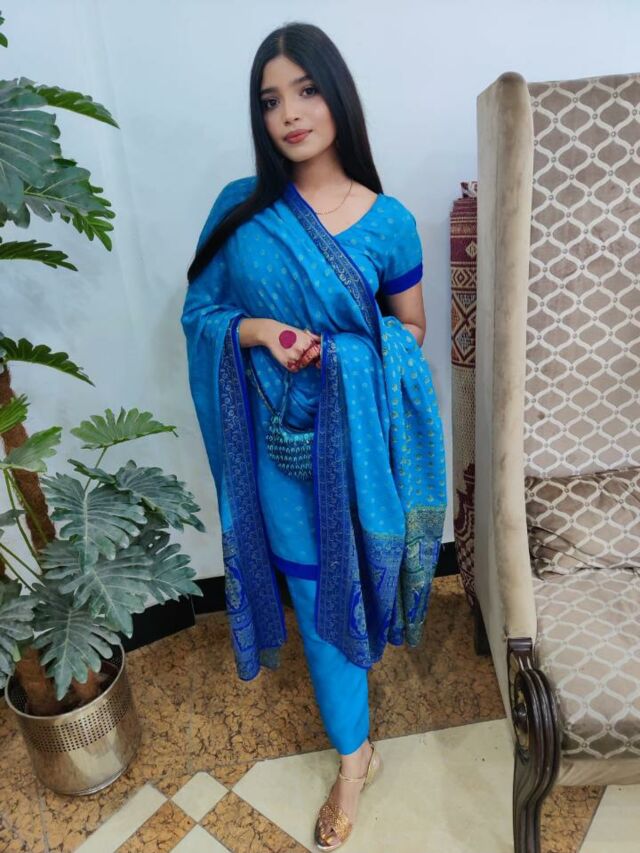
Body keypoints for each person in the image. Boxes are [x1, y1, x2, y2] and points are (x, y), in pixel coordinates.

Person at [181, 21, 447, 851]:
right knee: (315, 596)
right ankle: (354, 755)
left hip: (360, 451)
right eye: (270, 100)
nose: (289, 114)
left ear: (337, 96)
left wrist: (345, 360)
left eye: (304, 91)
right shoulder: (241, 210)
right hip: (279, 452)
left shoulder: (389, 222)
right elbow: (201, 315)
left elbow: (412, 328)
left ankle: (358, 721)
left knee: (359, 579)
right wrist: (261, 331)